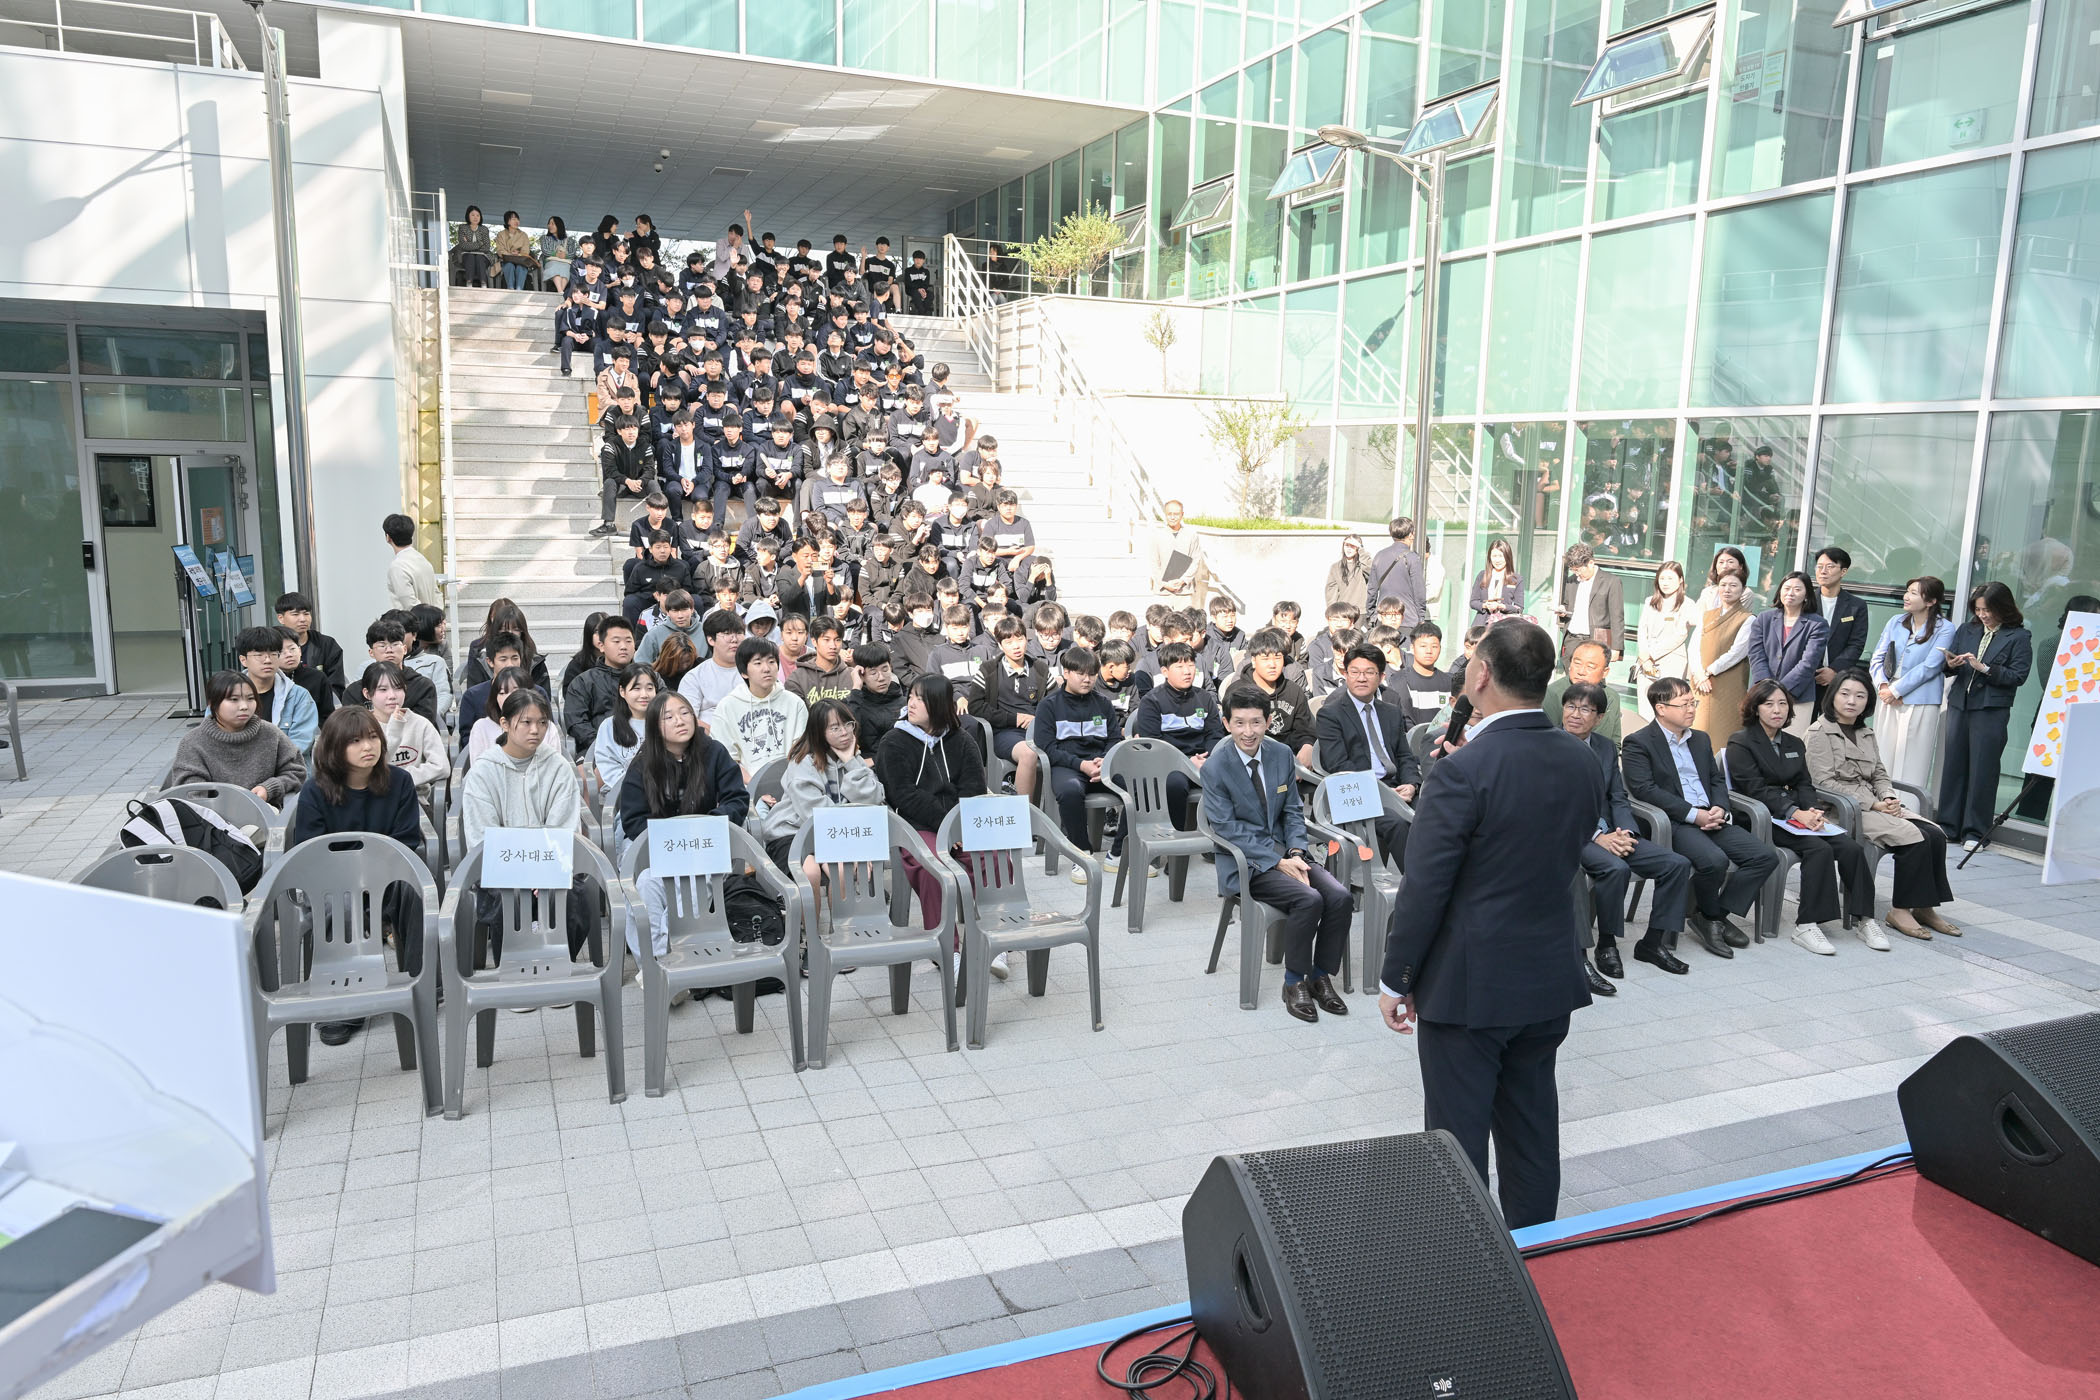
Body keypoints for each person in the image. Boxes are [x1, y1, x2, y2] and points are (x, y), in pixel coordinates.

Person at [1377, 621, 1603, 1228]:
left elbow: (1425, 888)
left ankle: (1468, 1259)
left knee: (1455, 1140)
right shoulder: (1581, 759)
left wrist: (1397, 978)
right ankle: (1537, 1247)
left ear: (1480, 675)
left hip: (1469, 984)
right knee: (1532, 1127)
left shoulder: (1461, 772)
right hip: (1547, 972)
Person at [1206, 685, 1354, 1025]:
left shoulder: (1281, 754)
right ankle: (1294, 982)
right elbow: (1227, 828)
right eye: (1239, 723)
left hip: (1288, 853)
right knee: (1308, 899)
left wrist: (1297, 850)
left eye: (1256, 722)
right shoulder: (1215, 767)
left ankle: (1320, 975)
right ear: (1226, 723)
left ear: (1268, 721)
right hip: (1248, 863)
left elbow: (1291, 811)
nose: (1248, 732)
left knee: (1339, 897)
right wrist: (1277, 861)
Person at [291, 704, 431, 1046]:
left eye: (372, 737)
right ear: (334, 748)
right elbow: (311, 854)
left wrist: (374, 876)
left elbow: (406, 842)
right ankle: (344, 1004)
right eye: (354, 741)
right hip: (332, 885)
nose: (367, 747)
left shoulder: (399, 781)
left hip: (385, 877)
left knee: (414, 890)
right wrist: (356, 879)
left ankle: (422, 981)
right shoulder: (315, 790)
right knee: (342, 903)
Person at [1622, 676, 1778, 960]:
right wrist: (1694, 815)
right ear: (1661, 708)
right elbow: (1645, 790)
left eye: (1692, 702)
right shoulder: (1638, 742)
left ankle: (1711, 916)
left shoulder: (1701, 739)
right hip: (1675, 821)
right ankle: (1712, 918)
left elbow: (1716, 779)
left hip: (1711, 815)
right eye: (1684, 704)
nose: (1692, 709)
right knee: (1714, 861)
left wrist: (1720, 807)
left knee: (1765, 856)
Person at [1726, 679, 1884, 955]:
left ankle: (1865, 919)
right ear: (1755, 708)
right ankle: (1807, 925)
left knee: (1851, 847)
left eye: (1782, 704)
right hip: (1761, 817)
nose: (1777, 710)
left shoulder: (1794, 743)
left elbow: (1804, 784)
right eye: (1768, 704)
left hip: (1797, 815)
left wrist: (1812, 811)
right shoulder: (1741, 742)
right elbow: (1754, 789)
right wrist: (1795, 812)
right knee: (1818, 849)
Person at [1807, 671, 1959, 941]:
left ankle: (1924, 908)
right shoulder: (1819, 732)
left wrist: (1888, 797)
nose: (1852, 701)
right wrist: (1874, 804)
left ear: (1868, 701)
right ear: (1832, 696)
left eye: (1860, 696)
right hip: (1842, 809)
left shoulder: (1865, 732)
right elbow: (1823, 782)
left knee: (1935, 834)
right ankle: (1900, 911)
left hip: (1875, 804)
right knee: (1914, 836)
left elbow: (1879, 773)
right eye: (1845, 694)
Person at [1560, 682, 1692, 983]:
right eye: (1571, 706)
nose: (1575, 714)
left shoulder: (1605, 747)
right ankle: (1607, 944)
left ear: (1599, 717)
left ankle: (1652, 944)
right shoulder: (1548, 745)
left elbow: (1618, 796)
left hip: (1612, 831)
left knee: (1676, 864)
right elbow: (1555, 803)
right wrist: (1598, 837)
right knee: (1615, 868)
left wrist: (1626, 832)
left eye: (1585, 709)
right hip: (1573, 835)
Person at [617, 691, 750, 959]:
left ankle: (669, 957)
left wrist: (707, 824)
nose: (680, 720)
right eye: (669, 717)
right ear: (655, 726)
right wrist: (670, 838)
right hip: (662, 853)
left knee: (695, 884)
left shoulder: (714, 752)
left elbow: (736, 799)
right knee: (645, 884)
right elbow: (633, 819)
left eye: (685, 712)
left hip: (706, 850)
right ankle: (653, 964)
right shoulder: (643, 764)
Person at [874, 674, 988, 930]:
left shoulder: (961, 739)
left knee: (992, 858)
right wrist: (944, 824)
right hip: (918, 825)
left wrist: (957, 826)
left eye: (920, 699)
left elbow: (974, 787)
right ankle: (947, 943)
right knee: (934, 868)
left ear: (938, 704)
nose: (911, 703)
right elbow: (903, 794)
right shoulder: (893, 741)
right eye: (911, 696)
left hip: (959, 823)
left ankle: (993, 934)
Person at [1937, 581, 2034, 850]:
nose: (1983, 615)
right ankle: (1948, 826)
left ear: (2003, 608)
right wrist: (1951, 664)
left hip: (1990, 710)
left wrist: (1986, 669)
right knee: (1954, 766)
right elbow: (1949, 668)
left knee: (1983, 770)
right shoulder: (1967, 629)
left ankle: (1975, 832)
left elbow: (2018, 676)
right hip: (1960, 704)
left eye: (1988, 610)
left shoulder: (2018, 636)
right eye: (1978, 609)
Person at [757, 700, 885, 887]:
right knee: (812, 872)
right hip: (793, 834)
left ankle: (843, 909)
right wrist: (849, 846)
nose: (844, 732)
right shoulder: (802, 763)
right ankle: (811, 909)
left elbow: (875, 799)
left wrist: (850, 762)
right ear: (818, 732)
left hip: (838, 833)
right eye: (835, 728)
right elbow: (815, 815)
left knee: (843, 871)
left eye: (848, 724)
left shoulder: (852, 758)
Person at [1316, 643, 1417, 869]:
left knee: (1436, 811)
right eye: (1355, 672)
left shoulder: (1391, 711)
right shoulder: (1330, 714)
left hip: (1396, 787)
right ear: (1345, 674)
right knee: (1397, 824)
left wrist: (1411, 784)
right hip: (1358, 791)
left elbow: (1404, 755)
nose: (1361, 678)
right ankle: (1417, 884)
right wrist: (1383, 793)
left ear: (1381, 676)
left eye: (1369, 672)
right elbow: (1338, 765)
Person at [1033, 646, 1124, 882]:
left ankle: (1118, 853)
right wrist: (1081, 765)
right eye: (1080, 673)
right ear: (1066, 673)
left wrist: (1106, 760)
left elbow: (1114, 739)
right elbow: (1047, 747)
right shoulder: (1049, 705)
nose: (1087, 679)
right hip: (1068, 767)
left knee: (1135, 786)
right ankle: (1082, 853)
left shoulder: (1103, 704)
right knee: (1070, 791)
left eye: (1092, 674)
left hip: (1101, 766)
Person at [167, 670, 306, 808]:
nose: (244, 706)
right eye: (234, 699)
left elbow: (296, 772)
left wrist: (269, 788)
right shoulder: (193, 742)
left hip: (265, 813)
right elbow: (190, 792)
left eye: (250, 698)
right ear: (212, 703)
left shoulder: (271, 734)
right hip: (211, 817)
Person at [1869, 575, 1956, 791]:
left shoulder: (1945, 628)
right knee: (1882, 757)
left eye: (1914, 593)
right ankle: (1881, 804)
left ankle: (1908, 809)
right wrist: (1883, 687)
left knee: (1912, 764)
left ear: (1931, 601)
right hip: (1887, 696)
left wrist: (1897, 690)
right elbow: (1877, 658)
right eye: (1907, 591)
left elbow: (1931, 666)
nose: (1906, 596)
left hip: (1920, 700)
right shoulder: (1895, 621)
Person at [713, 636, 808, 779]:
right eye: (758, 663)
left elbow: (801, 752)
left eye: (771, 662)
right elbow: (728, 760)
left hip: (791, 782)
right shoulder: (727, 707)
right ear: (744, 672)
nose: (766, 669)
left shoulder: (795, 703)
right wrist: (754, 785)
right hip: (746, 786)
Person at [1746, 570, 1828, 726]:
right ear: (1780, 591)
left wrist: (1781, 691)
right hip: (1762, 694)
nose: (1791, 593)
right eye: (1787, 588)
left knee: (1791, 740)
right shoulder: (1764, 618)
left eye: (1797, 589)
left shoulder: (1817, 624)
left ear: (1806, 595)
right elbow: (1756, 654)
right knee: (1758, 739)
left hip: (1798, 697)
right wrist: (1767, 688)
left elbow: (1808, 663)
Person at [586, 662, 660, 823]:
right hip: (624, 796)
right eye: (636, 688)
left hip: (663, 795)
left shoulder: (664, 722)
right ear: (622, 691)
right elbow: (608, 766)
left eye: (649, 688)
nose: (644, 694)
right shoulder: (609, 726)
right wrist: (637, 787)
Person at [1688, 570, 1753, 750]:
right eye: (1723, 585)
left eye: (1733, 585)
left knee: (1724, 733)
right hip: (1700, 682)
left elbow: (1737, 652)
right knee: (1696, 728)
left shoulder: (1747, 619)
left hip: (1728, 684)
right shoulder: (1707, 615)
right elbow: (1693, 647)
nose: (1727, 589)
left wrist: (1709, 671)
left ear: (1743, 589)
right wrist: (1699, 674)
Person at [360, 662, 448, 789]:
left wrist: (402, 778)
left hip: (414, 796)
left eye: (398, 688)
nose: (392, 696)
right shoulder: (360, 726)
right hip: (372, 796)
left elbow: (442, 767)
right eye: (383, 689)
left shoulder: (420, 724)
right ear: (367, 694)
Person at [235, 625, 318, 754]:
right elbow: (213, 737)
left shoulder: (298, 696)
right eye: (259, 655)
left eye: (273, 654)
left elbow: (300, 743)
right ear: (243, 660)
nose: (267, 660)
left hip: (287, 765)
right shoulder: (226, 695)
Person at [562, 614, 639, 753]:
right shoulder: (583, 682)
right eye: (616, 641)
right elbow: (576, 722)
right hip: (598, 749)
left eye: (628, 641)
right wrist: (603, 744)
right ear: (601, 646)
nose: (623, 646)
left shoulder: (649, 678)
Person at [1634, 561, 1694, 722]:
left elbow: (1680, 635)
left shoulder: (1687, 604)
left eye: (1670, 578)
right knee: (1645, 708)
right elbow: (1642, 630)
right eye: (1662, 578)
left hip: (1671, 660)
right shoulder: (1650, 601)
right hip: (1645, 663)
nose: (1665, 583)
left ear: (1680, 580)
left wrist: (1650, 655)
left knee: (1668, 708)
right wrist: (1644, 656)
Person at [1812, 546, 1869, 710]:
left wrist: (1834, 670)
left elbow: (1856, 644)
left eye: (1830, 566)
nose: (1823, 571)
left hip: (1838, 678)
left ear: (1843, 571)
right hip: (1807, 677)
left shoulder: (1856, 606)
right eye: (1819, 566)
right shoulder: (1806, 602)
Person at [677, 609, 746, 731]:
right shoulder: (694, 677)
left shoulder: (756, 672)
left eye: (739, 633)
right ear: (711, 640)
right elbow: (686, 718)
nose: (734, 639)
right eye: (727, 633)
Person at [1541, 639, 1621, 743]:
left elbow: (1615, 742)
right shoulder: (1552, 694)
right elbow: (1546, 738)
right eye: (1577, 663)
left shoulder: (1611, 696)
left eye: (1590, 667)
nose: (1581, 671)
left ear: (1605, 672)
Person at [1554, 544, 1623, 663]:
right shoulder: (1571, 580)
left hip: (1597, 640)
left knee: (1593, 673)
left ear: (1590, 563)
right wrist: (1563, 610)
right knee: (1570, 673)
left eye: (1578, 569)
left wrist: (1616, 648)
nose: (1576, 574)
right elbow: (1567, 604)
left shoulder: (1611, 581)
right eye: (1573, 570)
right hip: (1572, 639)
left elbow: (1617, 617)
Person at [276, 592, 345, 700]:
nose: (303, 619)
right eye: (295, 614)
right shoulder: (271, 645)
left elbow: (336, 686)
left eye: (306, 614)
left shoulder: (326, 644)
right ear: (281, 618)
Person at [1368, 517, 1427, 626]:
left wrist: (1372, 615)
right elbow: (1419, 591)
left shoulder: (1379, 555)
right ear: (1411, 535)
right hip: (1407, 618)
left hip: (1384, 617)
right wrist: (1421, 617)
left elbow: (1372, 589)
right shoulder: (1412, 558)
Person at [466, 665, 530, 761]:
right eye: (502, 693)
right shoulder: (481, 727)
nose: (508, 698)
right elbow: (478, 767)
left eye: (515, 691)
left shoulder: (544, 725)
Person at [1148, 499, 1204, 602]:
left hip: (1184, 591)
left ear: (1182, 515)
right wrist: (1165, 584)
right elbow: (1154, 563)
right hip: (1162, 592)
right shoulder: (1157, 536)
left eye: (1176, 514)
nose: (1172, 517)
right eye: (1169, 514)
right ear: (1165, 514)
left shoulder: (1191, 536)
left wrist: (1183, 580)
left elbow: (1195, 561)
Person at [383, 513, 441, 610]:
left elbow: (410, 604)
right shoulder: (423, 560)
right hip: (432, 617)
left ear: (388, 537)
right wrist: (436, 615)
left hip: (411, 619)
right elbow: (437, 594)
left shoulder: (397, 567)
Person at [1468, 537, 1522, 630]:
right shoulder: (1482, 575)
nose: (1497, 560)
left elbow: (1519, 608)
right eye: (1494, 556)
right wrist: (1485, 605)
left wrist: (1501, 606)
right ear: (1490, 557)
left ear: (1507, 556)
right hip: (1481, 626)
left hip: (1504, 627)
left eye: (1501, 556)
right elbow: (1473, 602)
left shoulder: (1516, 579)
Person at [1324, 535, 1370, 617]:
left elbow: (1371, 570)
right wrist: (1333, 612)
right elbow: (1331, 592)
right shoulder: (1335, 567)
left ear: (1358, 548)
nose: (1349, 549)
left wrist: (1361, 550)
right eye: (1346, 545)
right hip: (1343, 612)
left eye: (1352, 546)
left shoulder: (1362, 565)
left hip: (1361, 612)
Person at [492, 210, 537, 290]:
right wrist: (511, 254)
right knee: (509, 265)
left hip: (521, 260)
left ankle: (519, 290)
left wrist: (519, 254)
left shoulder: (523, 235)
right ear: (507, 221)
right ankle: (511, 288)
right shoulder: (501, 234)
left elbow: (526, 251)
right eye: (513, 219)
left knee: (520, 267)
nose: (516, 221)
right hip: (507, 259)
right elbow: (500, 250)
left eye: (517, 219)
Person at [450, 205, 493, 287]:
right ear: (468, 216)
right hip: (466, 255)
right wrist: (480, 243)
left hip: (483, 256)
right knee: (470, 257)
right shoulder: (462, 228)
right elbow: (463, 245)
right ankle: (469, 282)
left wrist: (470, 245)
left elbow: (487, 247)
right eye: (472, 215)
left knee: (479, 258)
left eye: (478, 215)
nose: (475, 217)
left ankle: (483, 283)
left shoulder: (484, 229)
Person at [538, 215, 574, 295]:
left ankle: (560, 292)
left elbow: (572, 253)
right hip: (550, 261)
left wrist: (565, 256)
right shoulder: (545, 238)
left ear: (559, 225)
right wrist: (556, 254)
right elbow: (545, 251)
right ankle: (560, 291)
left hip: (565, 262)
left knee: (566, 268)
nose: (549, 226)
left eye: (552, 224)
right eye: (549, 224)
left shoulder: (569, 240)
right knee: (555, 266)